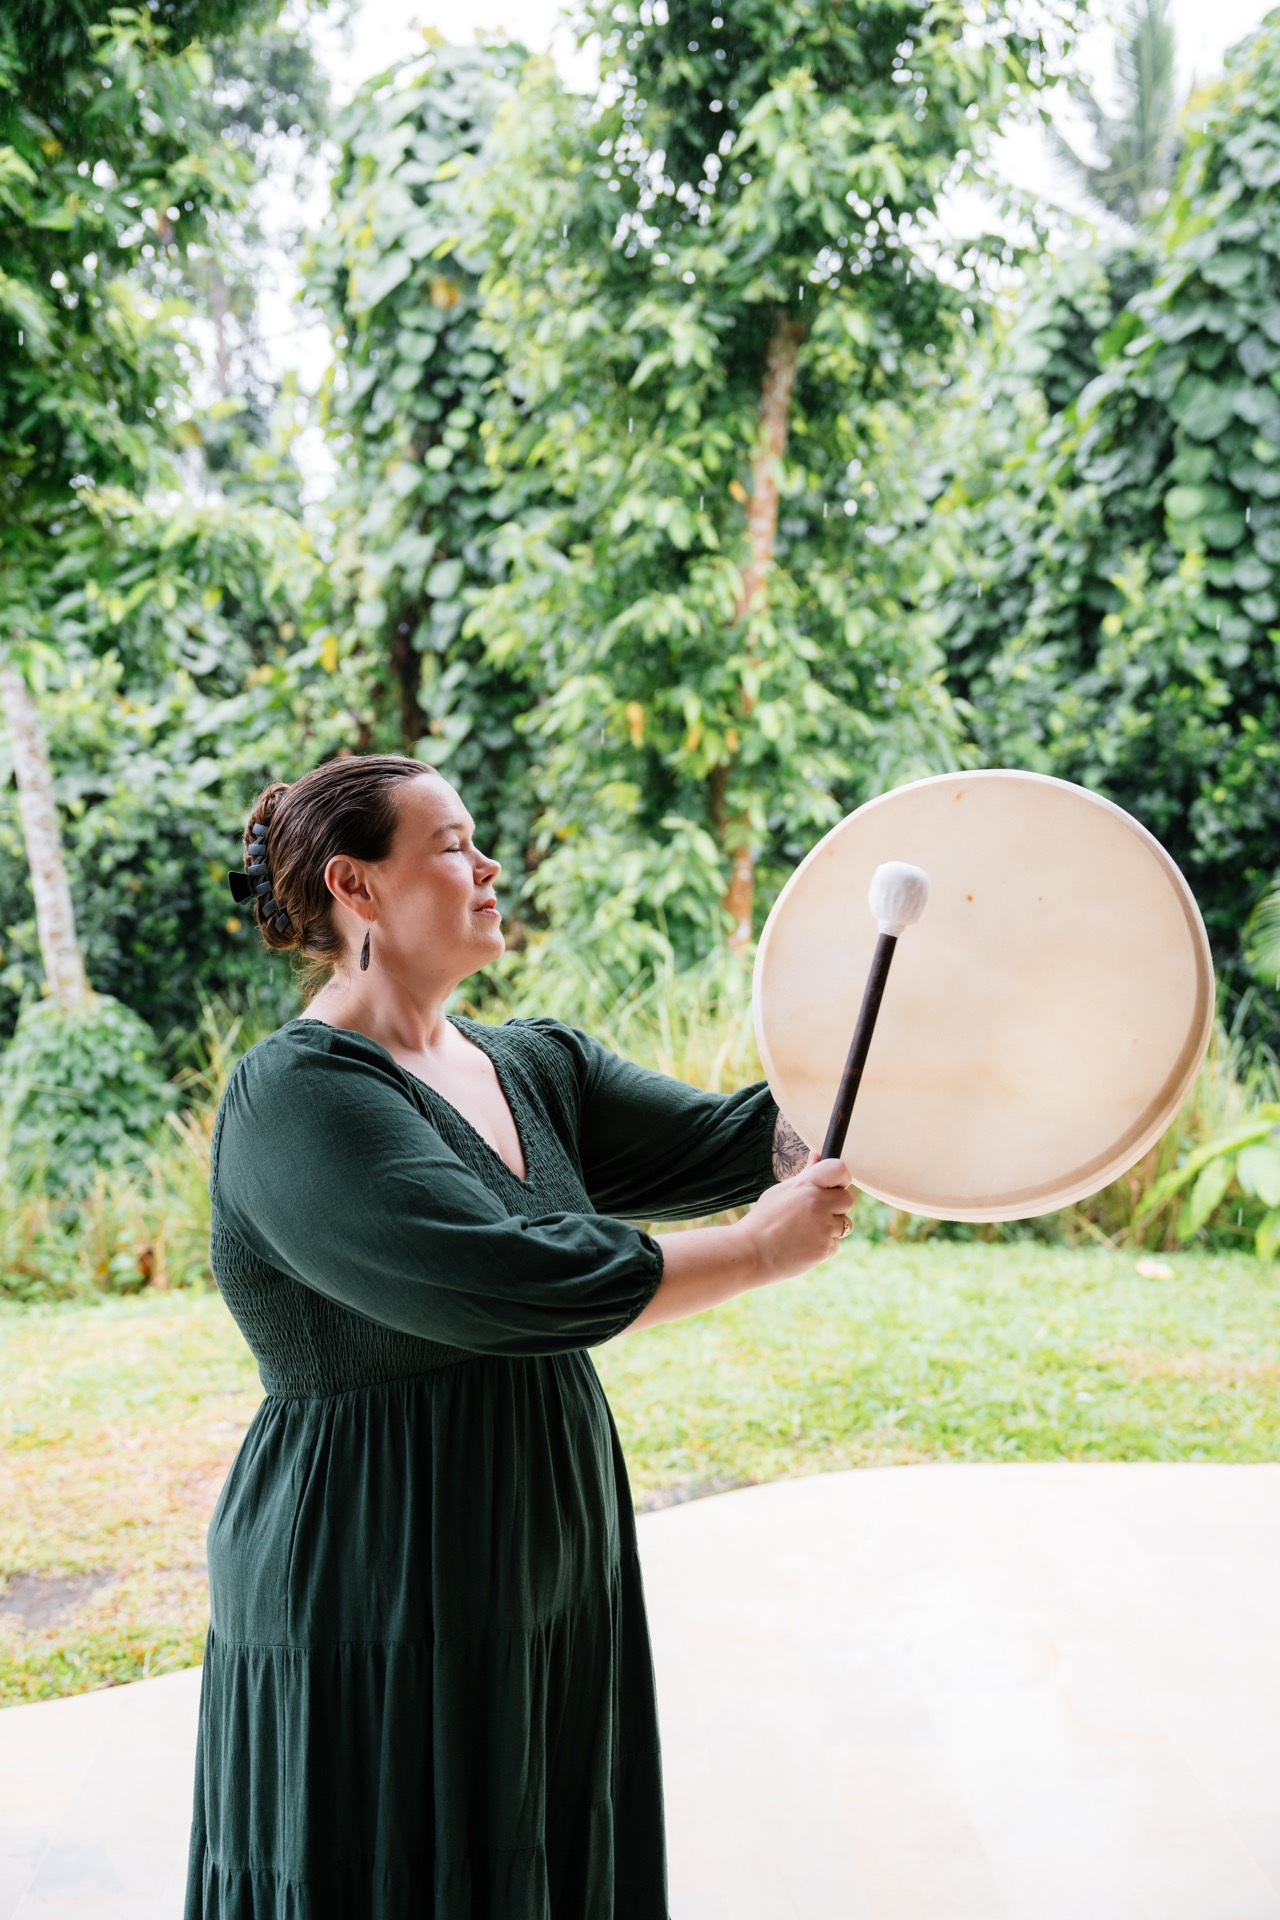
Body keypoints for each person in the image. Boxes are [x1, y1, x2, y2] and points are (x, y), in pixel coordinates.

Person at [186, 752, 853, 1920]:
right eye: (449, 845)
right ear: (358, 886)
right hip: (375, 1568)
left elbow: (754, 1141)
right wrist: (753, 1251)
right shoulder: (296, 1098)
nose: (488, 865)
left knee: (540, 1853)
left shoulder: (533, 1064)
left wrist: (923, 1039)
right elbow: (504, 1279)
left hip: (545, 1551)